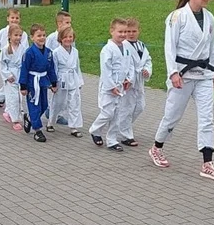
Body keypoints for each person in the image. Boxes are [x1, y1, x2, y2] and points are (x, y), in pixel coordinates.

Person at [149, 0, 214, 180]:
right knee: (172, 116)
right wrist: (173, 72)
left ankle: (207, 162)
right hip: (183, 74)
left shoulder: (209, 17)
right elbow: (169, 47)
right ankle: (157, 147)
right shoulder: (177, 17)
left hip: (204, 74)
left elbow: (212, 46)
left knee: (207, 118)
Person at [90, 18, 133, 152]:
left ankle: (112, 140)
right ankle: (95, 130)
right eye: (120, 32)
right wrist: (111, 86)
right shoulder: (107, 49)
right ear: (112, 31)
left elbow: (130, 65)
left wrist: (129, 79)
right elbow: (105, 70)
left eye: (125, 32)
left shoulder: (126, 47)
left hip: (121, 86)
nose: (123, 34)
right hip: (109, 87)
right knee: (107, 113)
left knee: (117, 115)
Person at [19, 24, 58, 142]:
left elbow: (51, 69)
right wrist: (23, 86)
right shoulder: (29, 53)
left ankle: (29, 118)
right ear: (32, 37)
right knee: (34, 105)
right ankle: (37, 130)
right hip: (32, 82)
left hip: (42, 81)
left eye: (43, 35)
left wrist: (54, 83)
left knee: (44, 105)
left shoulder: (49, 52)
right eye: (39, 36)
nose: (42, 38)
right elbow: (24, 69)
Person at [119, 18, 152, 146]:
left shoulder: (141, 45)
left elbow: (148, 60)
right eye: (128, 31)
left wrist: (147, 70)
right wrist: (126, 78)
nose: (131, 34)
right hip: (128, 81)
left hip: (139, 80)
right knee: (127, 108)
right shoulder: (123, 45)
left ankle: (122, 125)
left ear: (139, 31)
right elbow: (122, 64)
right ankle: (126, 135)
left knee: (140, 106)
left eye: (134, 31)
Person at [51, 27, 84, 137]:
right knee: (58, 103)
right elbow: (54, 68)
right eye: (65, 37)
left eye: (70, 37)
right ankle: (51, 122)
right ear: (60, 38)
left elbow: (77, 67)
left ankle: (74, 127)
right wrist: (54, 83)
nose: (68, 39)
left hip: (73, 79)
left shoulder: (75, 51)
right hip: (61, 79)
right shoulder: (56, 52)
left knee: (74, 103)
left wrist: (79, 81)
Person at [0, 24, 28, 131]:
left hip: (20, 74)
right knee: (13, 98)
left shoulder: (24, 49)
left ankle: (8, 112)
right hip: (11, 76)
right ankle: (15, 120)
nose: (18, 37)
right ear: (9, 36)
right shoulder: (5, 50)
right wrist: (8, 75)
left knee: (19, 97)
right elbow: (2, 64)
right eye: (16, 35)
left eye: (20, 35)